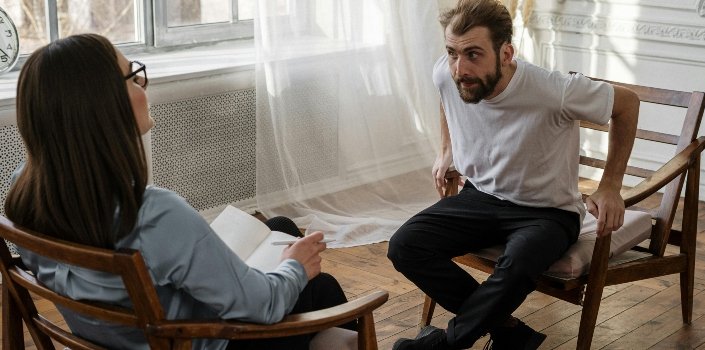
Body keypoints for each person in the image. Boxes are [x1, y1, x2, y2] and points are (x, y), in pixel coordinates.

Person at [4, 33, 352, 350]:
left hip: (122, 335)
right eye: (133, 75)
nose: (143, 83)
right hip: (208, 341)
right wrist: (294, 267)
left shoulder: (26, 195)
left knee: (280, 227)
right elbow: (262, 306)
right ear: (105, 105)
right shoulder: (153, 214)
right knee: (320, 286)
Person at [387, 0, 640, 349]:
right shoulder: (447, 73)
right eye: (452, 52)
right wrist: (446, 148)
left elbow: (627, 104)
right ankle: (510, 333)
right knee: (404, 246)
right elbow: (448, 94)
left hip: (548, 213)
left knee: (518, 264)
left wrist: (610, 185)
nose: (460, 68)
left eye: (473, 54)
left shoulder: (553, 89)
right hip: (480, 197)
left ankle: (445, 344)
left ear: (506, 53)